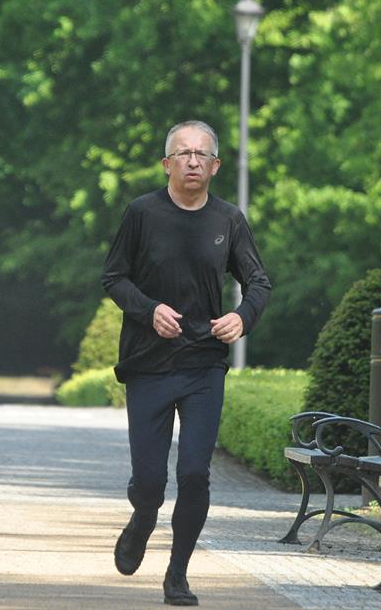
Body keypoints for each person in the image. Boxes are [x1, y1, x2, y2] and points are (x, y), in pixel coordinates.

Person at [101, 120, 271, 606]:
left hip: (203, 365)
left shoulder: (228, 220)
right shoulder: (142, 213)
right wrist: (148, 310)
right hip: (147, 364)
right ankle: (143, 517)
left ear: (215, 166)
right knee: (150, 482)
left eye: (202, 154)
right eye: (183, 153)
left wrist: (241, 317)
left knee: (195, 473)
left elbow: (259, 283)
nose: (192, 161)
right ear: (166, 164)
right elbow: (114, 277)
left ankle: (177, 574)